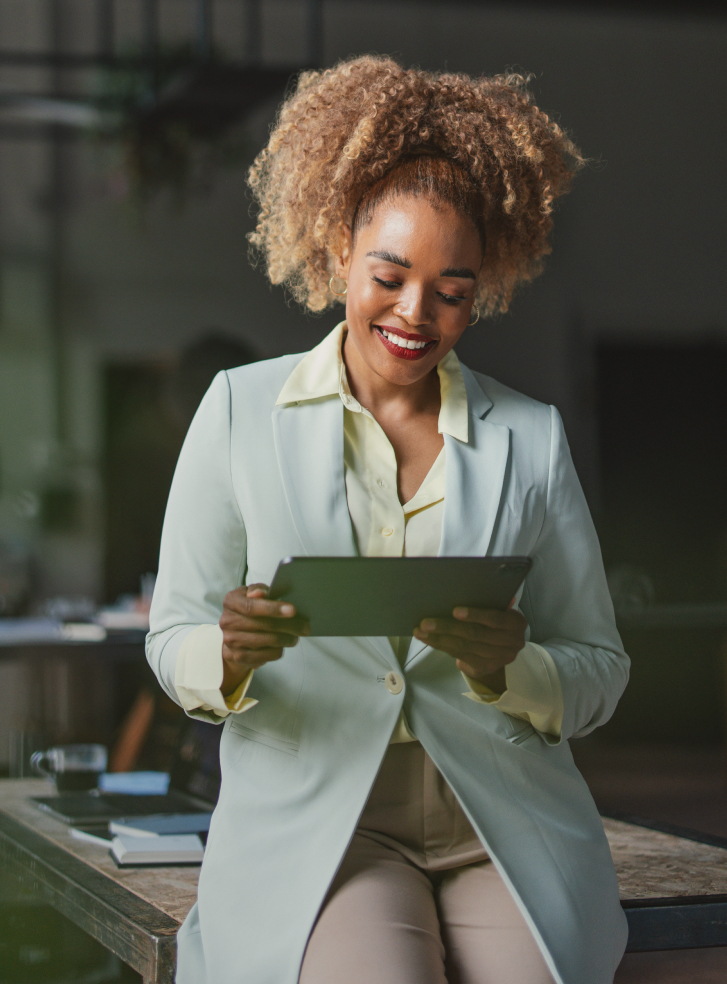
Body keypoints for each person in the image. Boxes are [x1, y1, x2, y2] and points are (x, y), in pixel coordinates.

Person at [146, 55, 630, 984]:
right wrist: (231, 654)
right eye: (390, 275)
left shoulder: (530, 437)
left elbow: (600, 668)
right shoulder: (239, 409)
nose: (417, 313)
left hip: (498, 814)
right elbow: (172, 636)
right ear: (338, 250)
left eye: (452, 291)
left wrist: (510, 666)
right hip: (325, 818)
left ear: (480, 289)